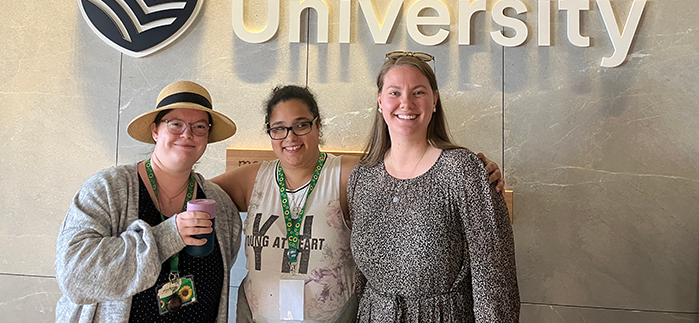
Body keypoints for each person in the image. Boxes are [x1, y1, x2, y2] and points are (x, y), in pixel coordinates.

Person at [212, 84, 506, 323]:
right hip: (256, 315)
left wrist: (477, 173)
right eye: (279, 128)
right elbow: (195, 191)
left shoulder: (348, 174)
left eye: (301, 125)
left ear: (318, 126)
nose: (290, 137)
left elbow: (412, 170)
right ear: (270, 132)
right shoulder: (253, 179)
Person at [348, 52, 520, 322]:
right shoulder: (363, 177)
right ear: (380, 101)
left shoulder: (462, 171)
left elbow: (494, 281)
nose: (406, 103)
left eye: (418, 92)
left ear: (435, 100)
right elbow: (361, 280)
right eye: (394, 93)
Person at [55, 81, 242, 323]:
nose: (187, 134)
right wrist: (169, 235)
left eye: (199, 127)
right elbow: (74, 277)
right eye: (175, 124)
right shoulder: (107, 189)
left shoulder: (221, 205)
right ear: (155, 130)